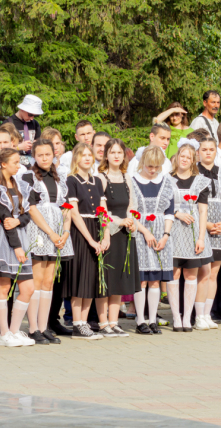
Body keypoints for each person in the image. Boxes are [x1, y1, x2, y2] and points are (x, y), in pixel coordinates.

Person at [19, 139, 74, 345]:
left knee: (49, 281)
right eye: (40, 155)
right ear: (34, 156)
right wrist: (51, 233)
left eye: (47, 154)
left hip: (58, 231)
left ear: (54, 154)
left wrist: (66, 231)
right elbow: (31, 208)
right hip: (40, 231)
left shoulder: (61, 177)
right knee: (37, 280)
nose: (44, 158)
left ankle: (45, 327)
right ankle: (33, 328)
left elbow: (66, 206)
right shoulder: (28, 176)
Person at [0, 148, 36, 347]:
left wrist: (19, 222)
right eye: (15, 162)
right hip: (5, 240)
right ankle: (4, 333)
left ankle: (14, 330)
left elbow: (28, 213)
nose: (19, 165)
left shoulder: (21, 185)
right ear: (3, 164)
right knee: (4, 286)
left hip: (21, 236)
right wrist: (16, 247)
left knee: (28, 288)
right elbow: (5, 219)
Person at [93, 138, 139, 337]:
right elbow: (100, 209)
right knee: (106, 280)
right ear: (106, 155)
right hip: (108, 233)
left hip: (125, 235)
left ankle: (114, 322)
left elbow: (132, 204)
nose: (116, 156)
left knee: (120, 280)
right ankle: (103, 323)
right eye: (112, 152)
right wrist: (117, 222)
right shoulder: (101, 178)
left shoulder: (126, 177)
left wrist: (131, 220)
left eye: (119, 152)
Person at [167, 140, 213, 332]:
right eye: (182, 156)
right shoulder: (167, 179)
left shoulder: (200, 181)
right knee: (175, 273)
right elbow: (163, 206)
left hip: (194, 231)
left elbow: (203, 212)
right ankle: (176, 316)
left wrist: (201, 237)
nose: (184, 160)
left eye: (188, 157)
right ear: (176, 157)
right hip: (174, 230)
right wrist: (177, 213)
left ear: (193, 160)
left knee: (191, 273)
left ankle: (188, 317)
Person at [130, 146, 175, 335]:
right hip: (140, 233)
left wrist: (165, 235)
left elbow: (169, 212)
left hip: (160, 234)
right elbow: (130, 212)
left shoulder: (165, 182)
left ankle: (152, 318)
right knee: (141, 280)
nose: (153, 170)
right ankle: (140, 320)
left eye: (156, 167)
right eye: (149, 166)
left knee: (155, 280)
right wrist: (145, 231)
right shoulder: (132, 182)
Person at [62, 142, 105, 341]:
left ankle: (84, 322)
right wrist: (90, 239)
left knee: (92, 279)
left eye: (90, 155)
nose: (87, 158)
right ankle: (77, 322)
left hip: (97, 229)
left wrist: (104, 236)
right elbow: (74, 213)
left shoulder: (97, 181)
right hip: (81, 233)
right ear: (76, 158)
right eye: (83, 155)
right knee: (80, 278)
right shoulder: (71, 180)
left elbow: (103, 212)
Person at [197, 136, 221, 327]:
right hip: (201, 225)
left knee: (214, 273)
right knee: (202, 272)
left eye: (211, 149)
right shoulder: (194, 172)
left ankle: (207, 313)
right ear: (199, 152)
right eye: (204, 149)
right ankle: (197, 314)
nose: (208, 152)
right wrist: (208, 224)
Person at [3, 95, 44, 167]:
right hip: (14, 165)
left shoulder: (35, 124)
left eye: (35, 116)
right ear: (22, 109)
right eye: (30, 115)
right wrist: (19, 147)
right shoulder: (8, 124)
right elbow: (1, 149)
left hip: (32, 165)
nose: (32, 118)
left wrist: (36, 145)